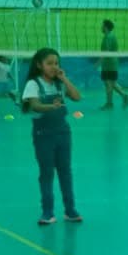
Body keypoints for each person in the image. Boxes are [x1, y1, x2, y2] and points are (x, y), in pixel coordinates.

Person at [21, 47, 82, 225]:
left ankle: (70, 210)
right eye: (49, 63)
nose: (53, 66)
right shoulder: (33, 84)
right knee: (46, 173)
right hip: (43, 134)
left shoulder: (59, 83)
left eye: (56, 63)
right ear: (39, 65)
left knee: (65, 172)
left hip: (63, 133)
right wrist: (51, 107)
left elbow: (77, 97)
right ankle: (47, 212)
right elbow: (35, 105)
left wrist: (63, 77)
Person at [99, 19, 128, 110]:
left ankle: (111, 103)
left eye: (102, 25)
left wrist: (98, 62)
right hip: (110, 64)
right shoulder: (109, 36)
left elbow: (106, 52)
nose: (101, 27)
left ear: (105, 27)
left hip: (109, 64)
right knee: (111, 84)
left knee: (109, 84)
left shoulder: (108, 37)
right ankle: (124, 97)